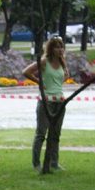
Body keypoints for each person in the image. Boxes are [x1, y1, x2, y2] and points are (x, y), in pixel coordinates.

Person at [22, 36, 69, 174]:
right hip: (46, 102)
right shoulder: (44, 62)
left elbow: (65, 76)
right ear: (51, 48)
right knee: (41, 134)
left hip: (60, 101)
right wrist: (39, 82)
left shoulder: (62, 62)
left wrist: (58, 83)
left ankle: (54, 162)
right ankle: (36, 163)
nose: (60, 50)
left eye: (61, 47)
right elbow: (26, 72)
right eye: (57, 47)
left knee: (55, 134)